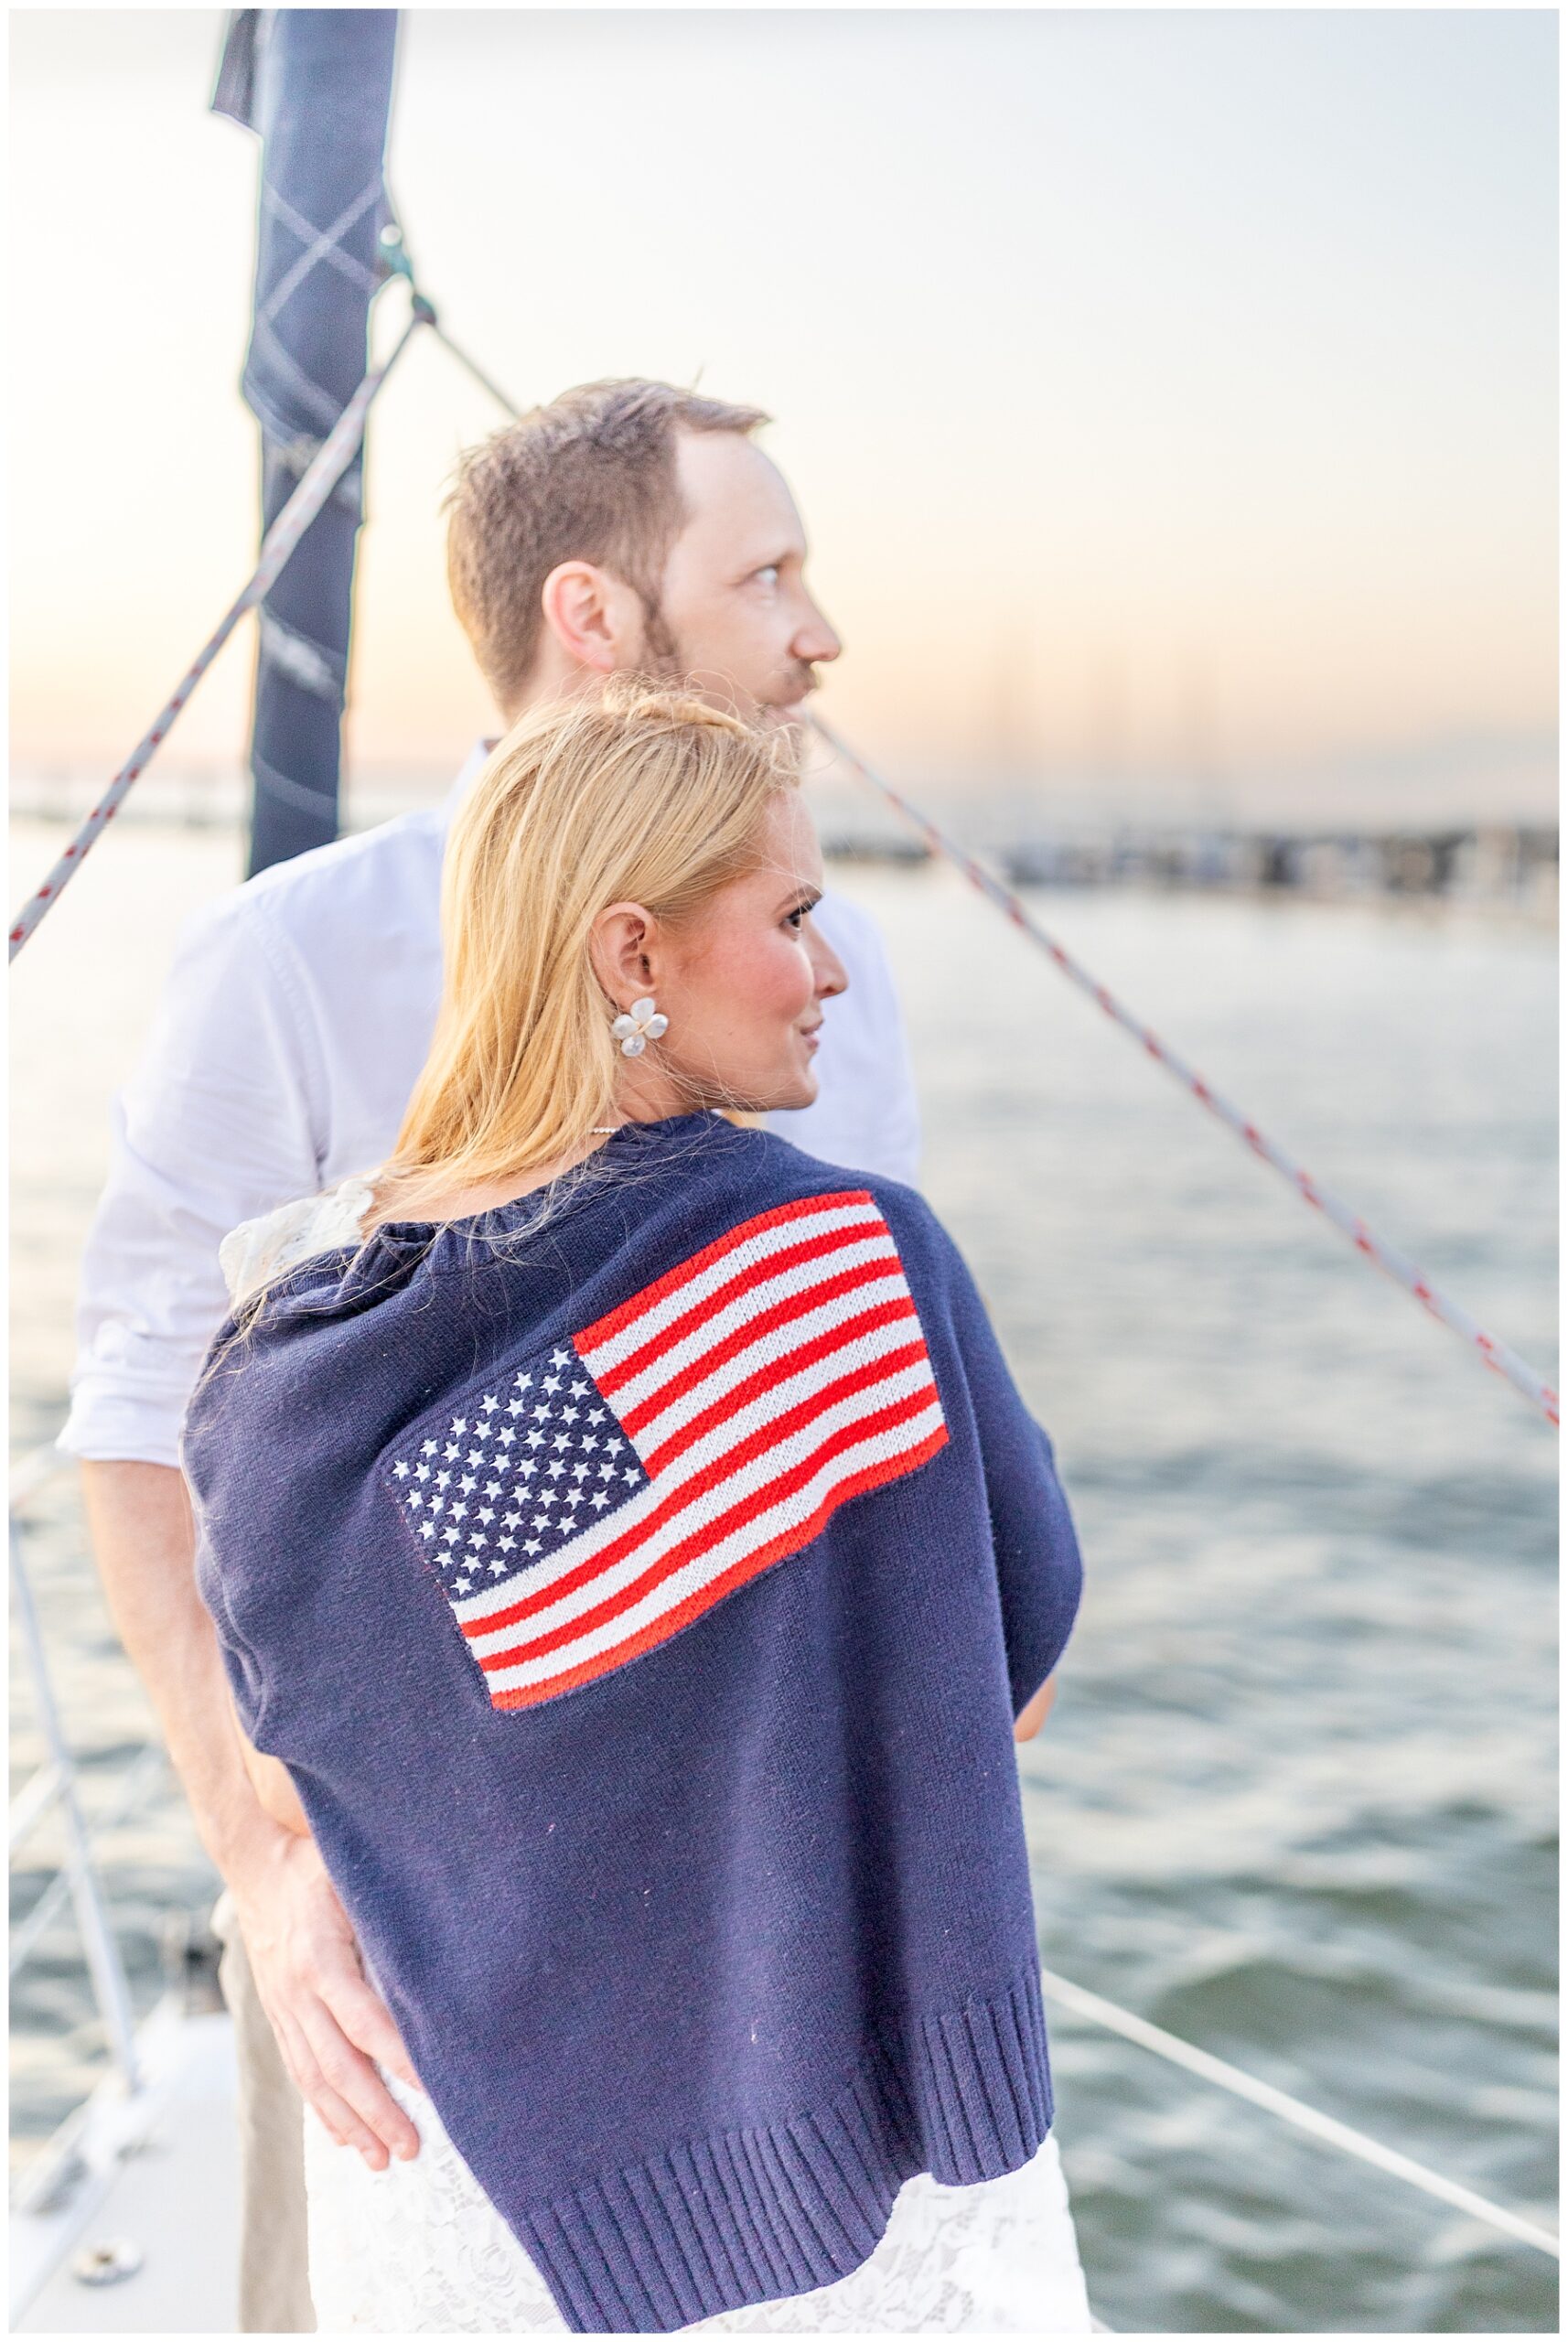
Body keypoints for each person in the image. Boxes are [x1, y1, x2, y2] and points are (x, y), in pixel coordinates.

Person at [59, 381, 922, 2332]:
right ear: (594, 617)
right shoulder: (287, 960)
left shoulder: (833, 973)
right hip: (384, 1933)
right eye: (766, 571)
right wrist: (270, 1870)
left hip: (769, 1942)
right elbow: (135, 1439)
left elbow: (888, 1464)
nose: (820, 632)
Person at [185, 681, 1090, 2335]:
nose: (828, 971)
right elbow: (1006, 1694)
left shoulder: (289, 1349)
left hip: (472, 2183)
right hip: (843, 2160)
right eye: (796, 914)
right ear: (633, 956)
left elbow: (295, 1780)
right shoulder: (845, 1272)